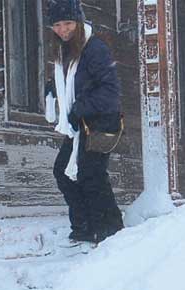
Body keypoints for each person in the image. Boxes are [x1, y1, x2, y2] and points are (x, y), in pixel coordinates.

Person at [45, 0, 124, 252]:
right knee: (63, 171)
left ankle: (110, 231)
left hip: (99, 121)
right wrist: (53, 88)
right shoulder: (65, 51)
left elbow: (110, 91)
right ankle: (85, 227)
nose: (63, 29)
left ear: (78, 22)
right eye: (57, 24)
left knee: (91, 175)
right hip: (79, 123)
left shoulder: (95, 48)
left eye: (67, 23)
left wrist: (79, 107)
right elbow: (73, 82)